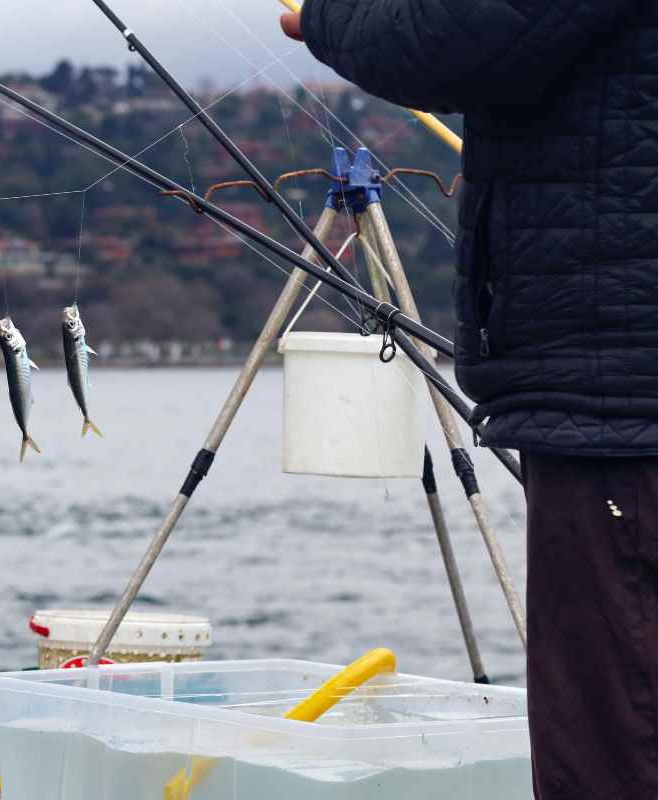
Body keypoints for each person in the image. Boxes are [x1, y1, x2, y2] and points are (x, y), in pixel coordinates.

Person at [282, 2, 658, 797]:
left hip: (619, 410)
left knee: (610, 744)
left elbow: (442, 38)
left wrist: (327, 15)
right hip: (615, 396)